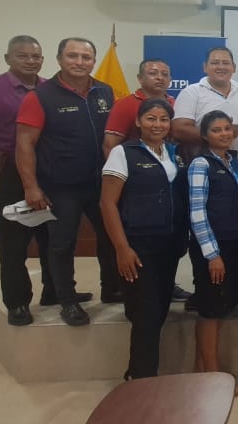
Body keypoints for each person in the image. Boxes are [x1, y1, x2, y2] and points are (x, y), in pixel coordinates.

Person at [0, 35, 84, 326]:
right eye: (22, 56)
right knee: (14, 241)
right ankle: (17, 302)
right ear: (8, 58)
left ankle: (55, 291)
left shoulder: (49, 87)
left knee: (53, 237)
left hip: (49, 170)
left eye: (36, 57)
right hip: (11, 171)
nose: (30, 61)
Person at [15, 37, 120, 327]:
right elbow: (24, 144)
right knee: (62, 244)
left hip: (100, 183)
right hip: (61, 186)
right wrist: (31, 186)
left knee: (111, 236)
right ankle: (67, 300)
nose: (80, 62)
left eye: (86, 57)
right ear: (59, 59)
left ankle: (112, 288)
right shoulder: (40, 96)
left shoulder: (105, 91)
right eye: (73, 56)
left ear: (93, 61)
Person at [98, 98, 187, 379]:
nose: (157, 124)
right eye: (151, 118)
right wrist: (122, 248)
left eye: (163, 119)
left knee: (159, 309)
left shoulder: (175, 153)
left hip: (168, 245)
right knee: (145, 313)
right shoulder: (123, 153)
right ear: (138, 121)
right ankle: (141, 379)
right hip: (138, 245)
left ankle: (139, 372)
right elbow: (107, 204)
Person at [172, 46, 238, 307]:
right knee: (205, 223)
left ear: (234, 67)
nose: (221, 66)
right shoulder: (192, 92)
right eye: (215, 62)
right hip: (204, 168)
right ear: (205, 67)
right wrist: (216, 136)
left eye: (226, 62)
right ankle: (204, 290)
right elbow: (178, 129)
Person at [102, 57, 192, 304]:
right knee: (144, 301)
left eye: (165, 73)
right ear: (140, 78)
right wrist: (130, 182)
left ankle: (167, 287)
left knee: (161, 285)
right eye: (153, 73)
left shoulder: (174, 107)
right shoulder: (125, 107)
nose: (159, 77)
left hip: (167, 223)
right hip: (137, 209)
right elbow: (110, 146)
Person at [187, 111, 238, 397]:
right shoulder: (201, 164)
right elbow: (197, 212)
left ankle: (201, 367)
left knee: (219, 306)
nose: (224, 134)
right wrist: (212, 255)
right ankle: (212, 375)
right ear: (204, 135)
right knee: (210, 310)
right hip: (213, 248)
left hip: (234, 243)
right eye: (216, 130)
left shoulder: (231, 161)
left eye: (227, 128)